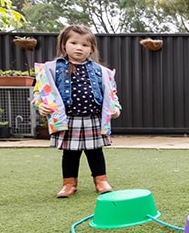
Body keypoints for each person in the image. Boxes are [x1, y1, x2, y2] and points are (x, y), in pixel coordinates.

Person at [32, 24, 122, 198]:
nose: (79, 48)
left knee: (95, 151)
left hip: (93, 118)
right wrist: (39, 105)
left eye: (85, 45)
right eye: (74, 43)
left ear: (91, 49)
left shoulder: (101, 71)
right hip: (68, 119)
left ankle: (101, 180)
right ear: (64, 44)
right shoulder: (51, 69)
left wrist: (116, 108)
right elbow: (40, 91)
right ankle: (69, 183)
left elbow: (111, 92)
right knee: (70, 153)